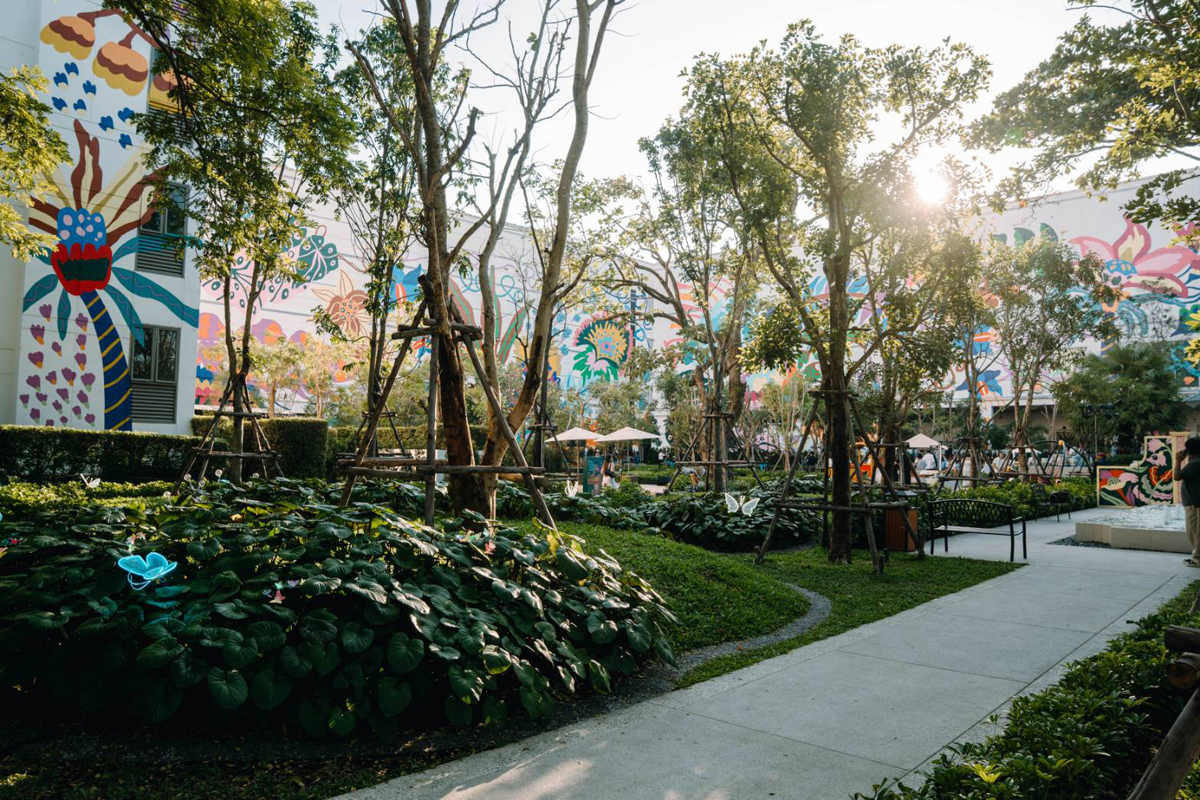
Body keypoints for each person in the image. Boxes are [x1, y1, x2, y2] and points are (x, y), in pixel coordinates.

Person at [1181, 436, 1200, 568]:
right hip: (1194, 502)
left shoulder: (1195, 463)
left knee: (1194, 530)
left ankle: (1197, 559)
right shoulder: (1195, 462)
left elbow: (1177, 475)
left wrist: (1178, 461)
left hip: (1194, 503)